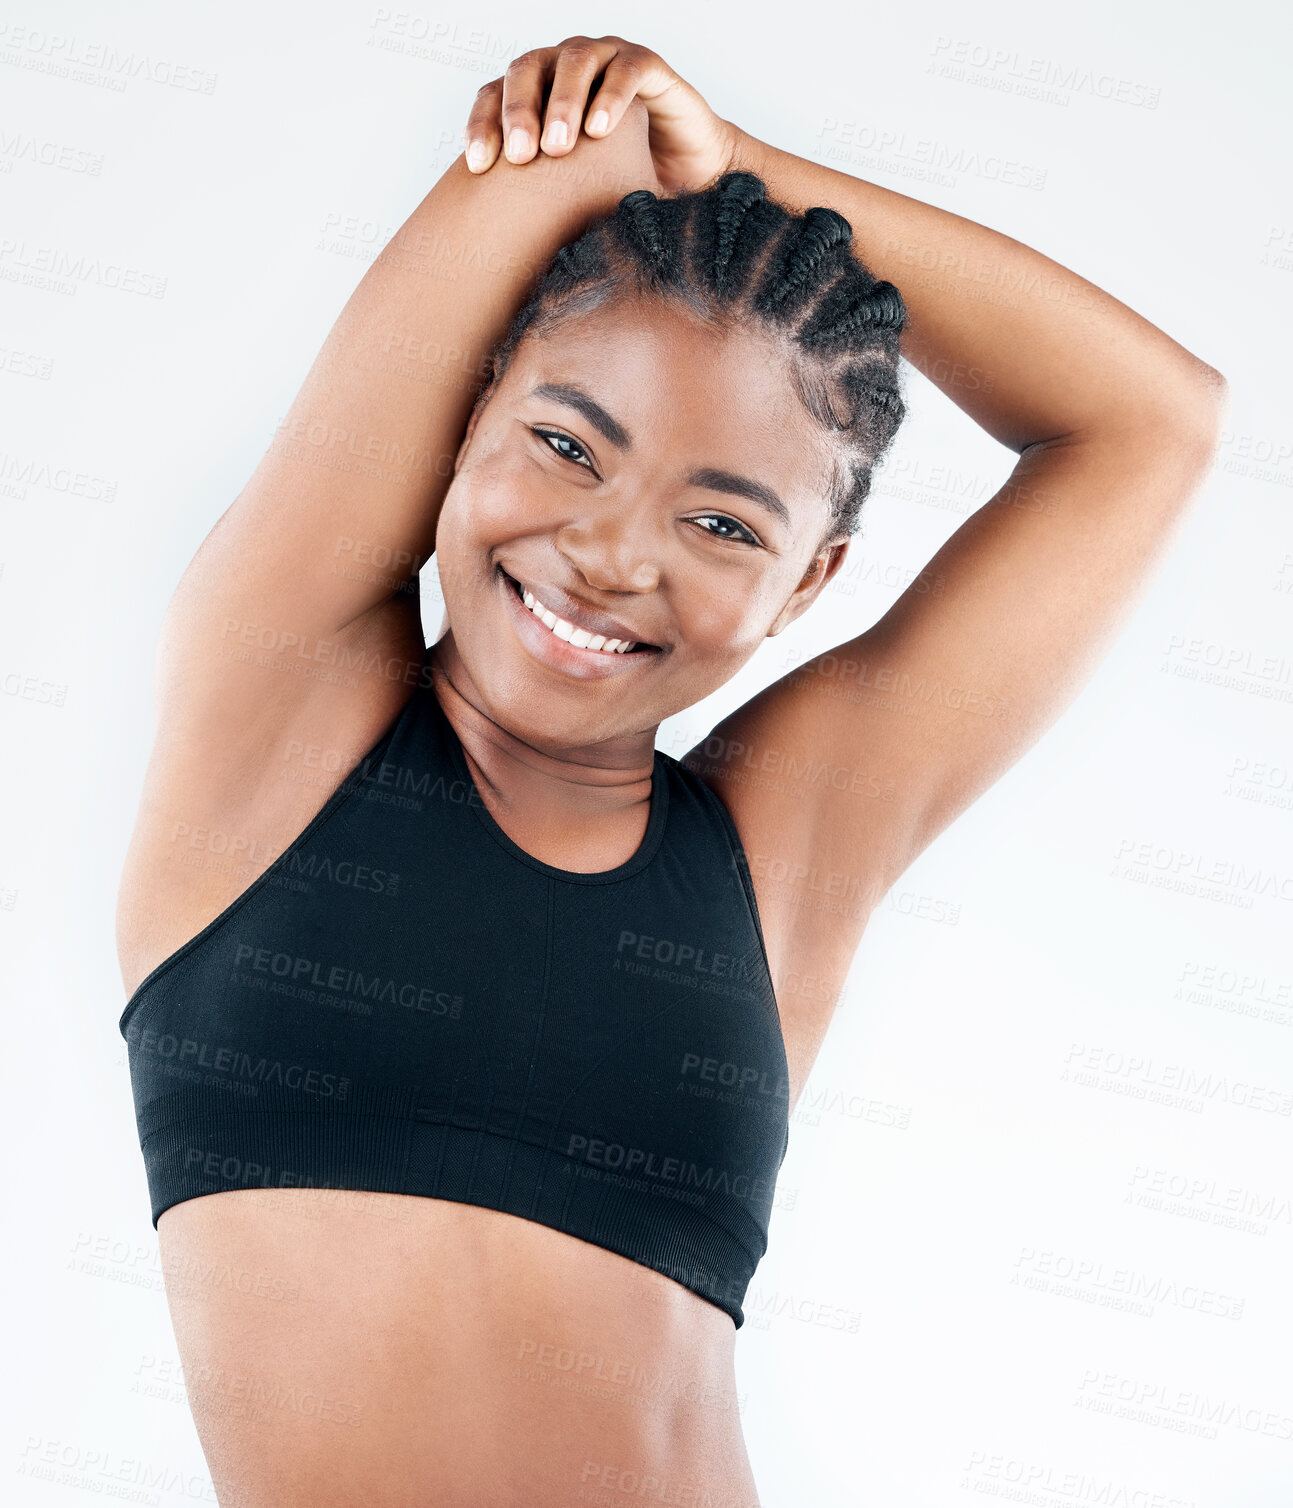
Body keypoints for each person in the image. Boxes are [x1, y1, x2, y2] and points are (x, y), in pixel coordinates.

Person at [114, 36, 1225, 1506]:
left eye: (722, 527)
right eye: (567, 445)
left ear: (807, 587)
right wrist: (676, 150)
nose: (611, 554)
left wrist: (741, 160)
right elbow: (591, 143)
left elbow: (1152, 422)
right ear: (467, 411)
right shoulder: (279, 713)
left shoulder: (773, 857)